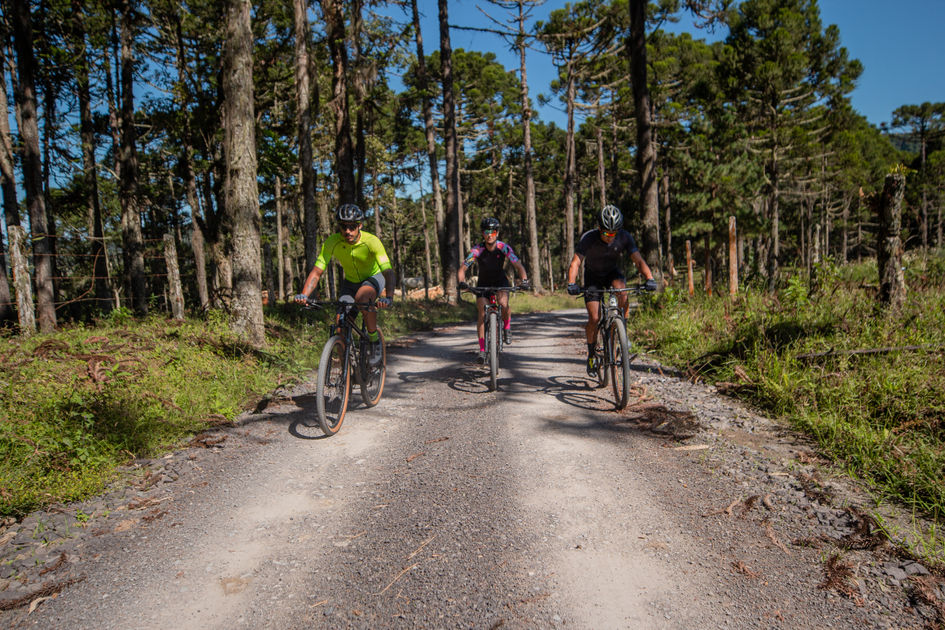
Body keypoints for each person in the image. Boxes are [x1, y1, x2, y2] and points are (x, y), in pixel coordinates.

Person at [295, 203, 395, 364]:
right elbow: (317, 271)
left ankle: (374, 340)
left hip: (373, 277)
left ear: (360, 225)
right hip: (350, 283)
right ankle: (347, 373)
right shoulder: (332, 242)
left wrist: (389, 297)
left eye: (352, 226)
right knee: (340, 325)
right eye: (343, 226)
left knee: (363, 298)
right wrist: (304, 295)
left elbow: (388, 271)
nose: (347, 231)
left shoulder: (372, 241)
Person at [566, 205, 657, 377]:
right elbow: (576, 263)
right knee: (594, 317)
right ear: (599, 228)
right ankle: (592, 354)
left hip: (612, 273)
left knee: (622, 291)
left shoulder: (625, 237)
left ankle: (623, 332)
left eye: (613, 233)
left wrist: (649, 278)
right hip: (593, 276)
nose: (610, 237)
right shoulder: (589, 238)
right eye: (606, 233)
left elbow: (638, 261)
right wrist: (572, 283)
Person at [457, 217, 529, 364]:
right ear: (482, 234)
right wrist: (462, 282)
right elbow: (462, 269)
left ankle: (507, 327)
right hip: (483, 284)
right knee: (482, 313)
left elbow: (519, 266)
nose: (490, 235)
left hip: (500, 282)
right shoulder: (477, 250)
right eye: (486, 231)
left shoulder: (504, 247)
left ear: (497, 233)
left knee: (503, 303)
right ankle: (482, 350)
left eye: (493, 231)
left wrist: (525, 280)